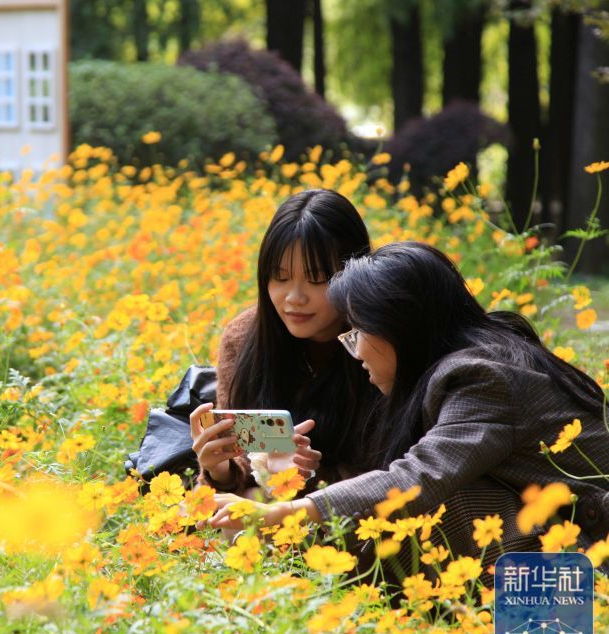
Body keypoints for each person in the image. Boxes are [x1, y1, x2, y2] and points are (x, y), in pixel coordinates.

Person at [210, 241, 609, 563]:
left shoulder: (481, 377)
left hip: (590, 552)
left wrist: (285, 516)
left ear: (400, 326)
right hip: (563, 535)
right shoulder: (468, 360)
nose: (355, 351)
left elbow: (416, 478)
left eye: (358, 332)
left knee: (439, 507)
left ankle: (292, 559)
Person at [190, 188, 378, 501]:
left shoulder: (376, 340)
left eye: (317, 278)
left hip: (352, 512)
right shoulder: (244, 338)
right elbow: (236, 475)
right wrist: (218, 469)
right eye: (280, 276)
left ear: (353, 271)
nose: (294, 298)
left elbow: (393, 471)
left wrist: (312, 477)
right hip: (267, 504)